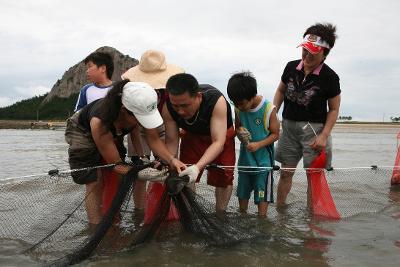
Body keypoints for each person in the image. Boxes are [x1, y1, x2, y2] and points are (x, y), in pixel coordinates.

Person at [65, 80, 186, 225]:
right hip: (82, 131)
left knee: (116, 178)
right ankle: (95, 225)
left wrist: (168, 160)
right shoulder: (100, 123)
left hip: (112, 132)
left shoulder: (138, 109)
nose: (142, 122)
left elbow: (152, 139)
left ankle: (110, 213)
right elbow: (115, 164)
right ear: (123, 109)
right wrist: (140, 172)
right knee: (94, 180)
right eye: (139, 118)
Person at [273, 23, 341, 207]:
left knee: (314, 177)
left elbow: (333, 109)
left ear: (324, 53)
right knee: (286, 172)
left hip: (314, 132)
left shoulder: (330, 77)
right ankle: (280, 212)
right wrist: (273, 113)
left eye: (313, 52)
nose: (307, 55)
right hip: (288, 127)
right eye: (305, 50)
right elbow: (280, 91)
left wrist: (324, 136)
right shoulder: (290, 67)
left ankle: (312, 217)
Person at [162, 73, 236, 213]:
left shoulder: (216, 101)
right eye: (176, 106)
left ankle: (221, 213)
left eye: (185, 105)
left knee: (224, 176)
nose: (181, 111)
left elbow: (218, 142)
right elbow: (172, 140)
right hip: (191, 135)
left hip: (220, 135)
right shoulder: (168, 107)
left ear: (199, 97)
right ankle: (190, 211)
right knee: (183, 171)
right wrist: (171, 161)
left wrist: (198, 167)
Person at [121, 49, 184, 210]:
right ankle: (140, 210)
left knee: (164, 168)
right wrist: (142, 156)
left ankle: (159, 207)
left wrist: (169, 158)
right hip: (136, 126)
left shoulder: (170, 91)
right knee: (139, 170)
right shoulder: (132, 89)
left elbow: (170, 128)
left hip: (162, 125)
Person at [227, 72, 280, 217]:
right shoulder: (238, 108)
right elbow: (237, 127)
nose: (239, 107)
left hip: (263, 163)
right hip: (245, 161)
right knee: (242, 193)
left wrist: (259, 144)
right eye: (235, 103)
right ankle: (242, 217)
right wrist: (239, 133)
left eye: (242, 103)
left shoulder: (268, 109)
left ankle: (262, 222)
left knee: (262, 197)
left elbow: (276, 134)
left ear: (252, 96)